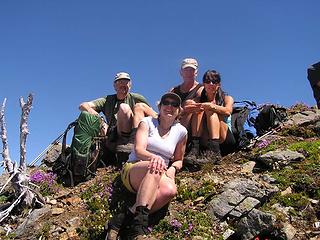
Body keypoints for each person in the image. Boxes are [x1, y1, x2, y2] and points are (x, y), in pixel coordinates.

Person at [105, 92, 187, 240]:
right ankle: (138, 229)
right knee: (154, 167)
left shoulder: (181, 131)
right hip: (135, 168)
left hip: (160, 172)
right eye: (166, 103)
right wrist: (154, 158)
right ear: (160, 107)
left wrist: (173, 168)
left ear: (179, 110)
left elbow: (179, 159)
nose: (170, 106)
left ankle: (120, 219)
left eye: (174, 104)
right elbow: (139, 150)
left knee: (170, 190)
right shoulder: (147, 122)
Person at [79, 72, 157, 153]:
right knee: (91, 119)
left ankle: (133, 142)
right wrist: (96, 115)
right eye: (120, 82)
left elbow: (151, 112)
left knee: (124, 108)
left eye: (126, 82)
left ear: (130, 85)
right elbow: (83, 105)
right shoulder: (107, 100)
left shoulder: (137, 98)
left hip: (132, 133)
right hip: (112, 134)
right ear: (114, 86)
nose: (123, 84)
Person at [190, 70, 236, 163]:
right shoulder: (198, 99)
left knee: (210, 111)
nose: (211, 84)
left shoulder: (226, 98)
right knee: (198, 111)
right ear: (204, 84)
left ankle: (215, 152)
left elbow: (228, 111)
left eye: (214, 82)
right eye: (207, 81)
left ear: (218, 84)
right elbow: (187, 106)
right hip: (206, 138)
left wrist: (212, 106)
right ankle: (194, 149)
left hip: (224, 139)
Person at [170, 58, 204, 161]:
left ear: (196, 72)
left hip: (194, 124)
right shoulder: (174, 90)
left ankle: (194, 146)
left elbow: (199, 106)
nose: (189, 73)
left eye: (192, 70)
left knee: (193, 106)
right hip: (176, 121)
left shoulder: (200, 88)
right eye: (186, 70)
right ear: (181, 72)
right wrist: (183, 110)